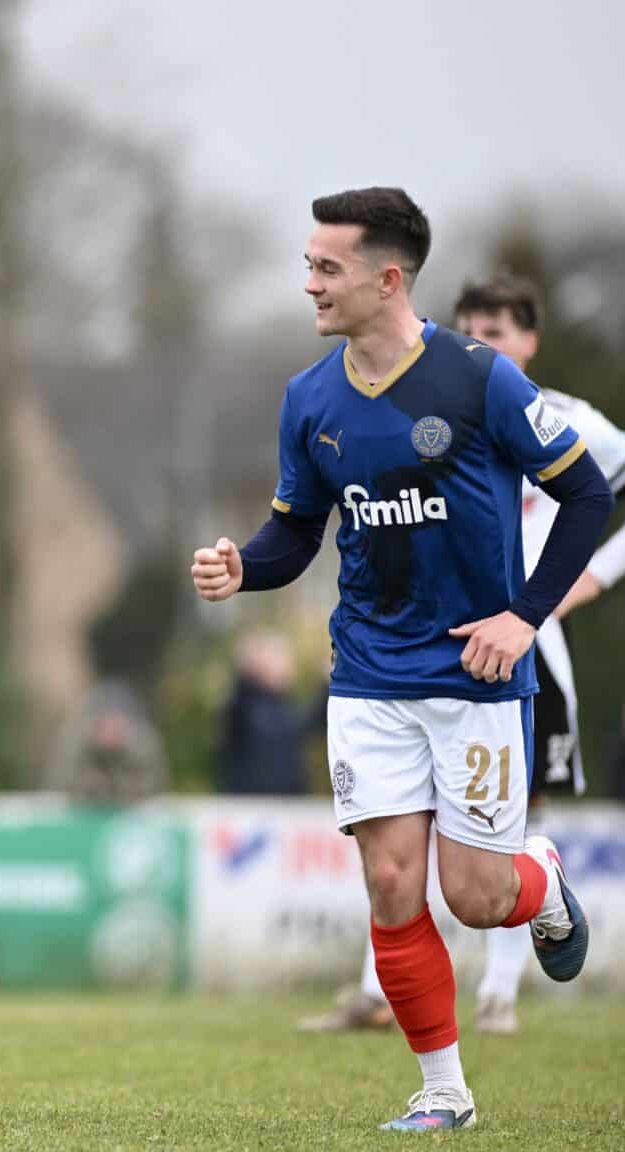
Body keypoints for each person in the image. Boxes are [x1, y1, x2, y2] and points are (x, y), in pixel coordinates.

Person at [191, 188, 609, 1132]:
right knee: (388, 884)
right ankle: (444, 1094)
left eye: (325, 267)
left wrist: (525, 616)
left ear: (389, 278)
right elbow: (296, 532)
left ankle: (536, 880)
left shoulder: (479, 379)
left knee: (476, 894)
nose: (309, 284)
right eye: (306, 265)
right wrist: (240, 567)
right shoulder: (310, 397)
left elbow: (587, 496)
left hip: (477, 675)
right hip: (370, 675)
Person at [302, 275, 625, 1038]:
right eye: (473, 324)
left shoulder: (571, 422)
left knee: (494, 852)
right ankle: (385, 997)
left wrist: (584, 582)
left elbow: (589, 497)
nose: (486, 339)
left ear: (530, 341)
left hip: (521, 644)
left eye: (502, 329)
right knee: (394, 850)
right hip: (406, 653)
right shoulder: (421, 401)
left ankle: (498, 998)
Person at [217, 630, 316, 796]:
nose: (286, 667)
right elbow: (233, 712)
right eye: (278, 659)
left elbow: (310, 723)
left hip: (288, 808)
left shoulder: (286, 706)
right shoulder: (243, 704)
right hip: (247, 809)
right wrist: (245, 666)